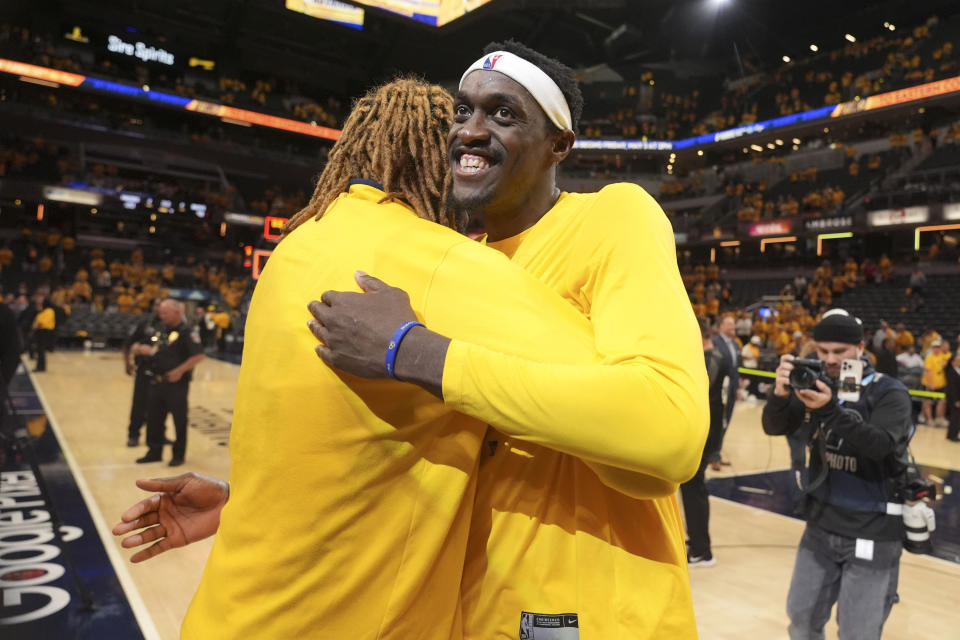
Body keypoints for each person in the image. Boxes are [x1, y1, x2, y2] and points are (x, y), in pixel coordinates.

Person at [116, 50, 707, 639]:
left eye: (503, 114)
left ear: (559, 144)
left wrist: (412, 351)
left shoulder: (612, 216)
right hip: (475, 609)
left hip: (593, 610)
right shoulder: (455, 259)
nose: (471, 130)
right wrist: (249, 503)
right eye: (462, 111)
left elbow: (667, 428)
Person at [762, 309, 912, 640]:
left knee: (858, 633)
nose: (829, 359)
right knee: (801, 622)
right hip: (820, 525)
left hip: (872, 531)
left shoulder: (889, 392)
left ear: (860, 347)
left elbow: (882, 445)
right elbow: (774, 426)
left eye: (839, 352)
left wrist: (830, 411)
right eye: (822, 350)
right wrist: (781, 393)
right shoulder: (816, 385)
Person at [133, 299, 204, 466]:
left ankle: (178, 454)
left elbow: (198, 356)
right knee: (154, 419)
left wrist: (179, 371)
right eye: (161, 312)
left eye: (165, 312)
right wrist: (142, 348)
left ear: (178, 312)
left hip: (176, 384)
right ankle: (154, 451)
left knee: (179, 420)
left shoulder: (187, 331)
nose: (161, 315)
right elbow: (154, 347)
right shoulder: (160, 329)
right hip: (156, 380)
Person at [680, 318, 728, 567]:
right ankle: (696, 540)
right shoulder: (710, 357)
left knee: (694, 488)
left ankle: (702, 549)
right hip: (704, 431)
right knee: (690, 488)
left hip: (705, 433)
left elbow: (700, 393)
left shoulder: (712, 359)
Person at [122, 299, 162, 447]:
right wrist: (127, 363)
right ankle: (133, 435)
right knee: (139, 405)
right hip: (144, 369)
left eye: (162, 305)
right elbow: (128, 344)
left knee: (160, 408)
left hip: (162, 372)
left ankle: (158, 436)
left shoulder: (170, 326)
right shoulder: (145, 324)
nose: (159, 308)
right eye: (157, 304)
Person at [710, 314, 741, 468]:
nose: (733, 327)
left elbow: (736, 369)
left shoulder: (735, 344)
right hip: (718, 391)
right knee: (716, 423)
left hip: (731, 390)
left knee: (725, 422)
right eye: (729, 324)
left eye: (734, 324)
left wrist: (738, 387)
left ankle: (717, 453)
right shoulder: (714, 343)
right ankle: (712, 456)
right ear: (721, 326)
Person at [922, 338, 951, 428]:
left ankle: (939, 418)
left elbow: (949, 357)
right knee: (928, 402)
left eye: (938, 347)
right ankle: (930, 419)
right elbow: (928, 372)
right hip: (930, 384)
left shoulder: (943, 356)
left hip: (941, 384)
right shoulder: (929, 357)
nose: (937, 349)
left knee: (942, 402)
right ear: (932, 348)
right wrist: (931, 384)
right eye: (935, 347)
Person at [31, 298, 56, 372]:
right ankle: (39, 366)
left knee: (41, 350)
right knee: (39, 350)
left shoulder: (50, 311)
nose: (40, 304)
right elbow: (36, 320)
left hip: (45, 331)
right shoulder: (42, 311)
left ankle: (41, 367)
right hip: (40, 331)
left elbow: (42, 322)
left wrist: (37, 324)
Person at [946, 351, 960, 442]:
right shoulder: (952, 372)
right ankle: (952, 435)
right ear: (953, 362)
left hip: (957, 398)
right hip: (954, 399)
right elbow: (952, 388)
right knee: (955, 417)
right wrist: (956, 400)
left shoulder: (958, 371)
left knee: (957, 417)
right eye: (958, 360)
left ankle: (953, 434)